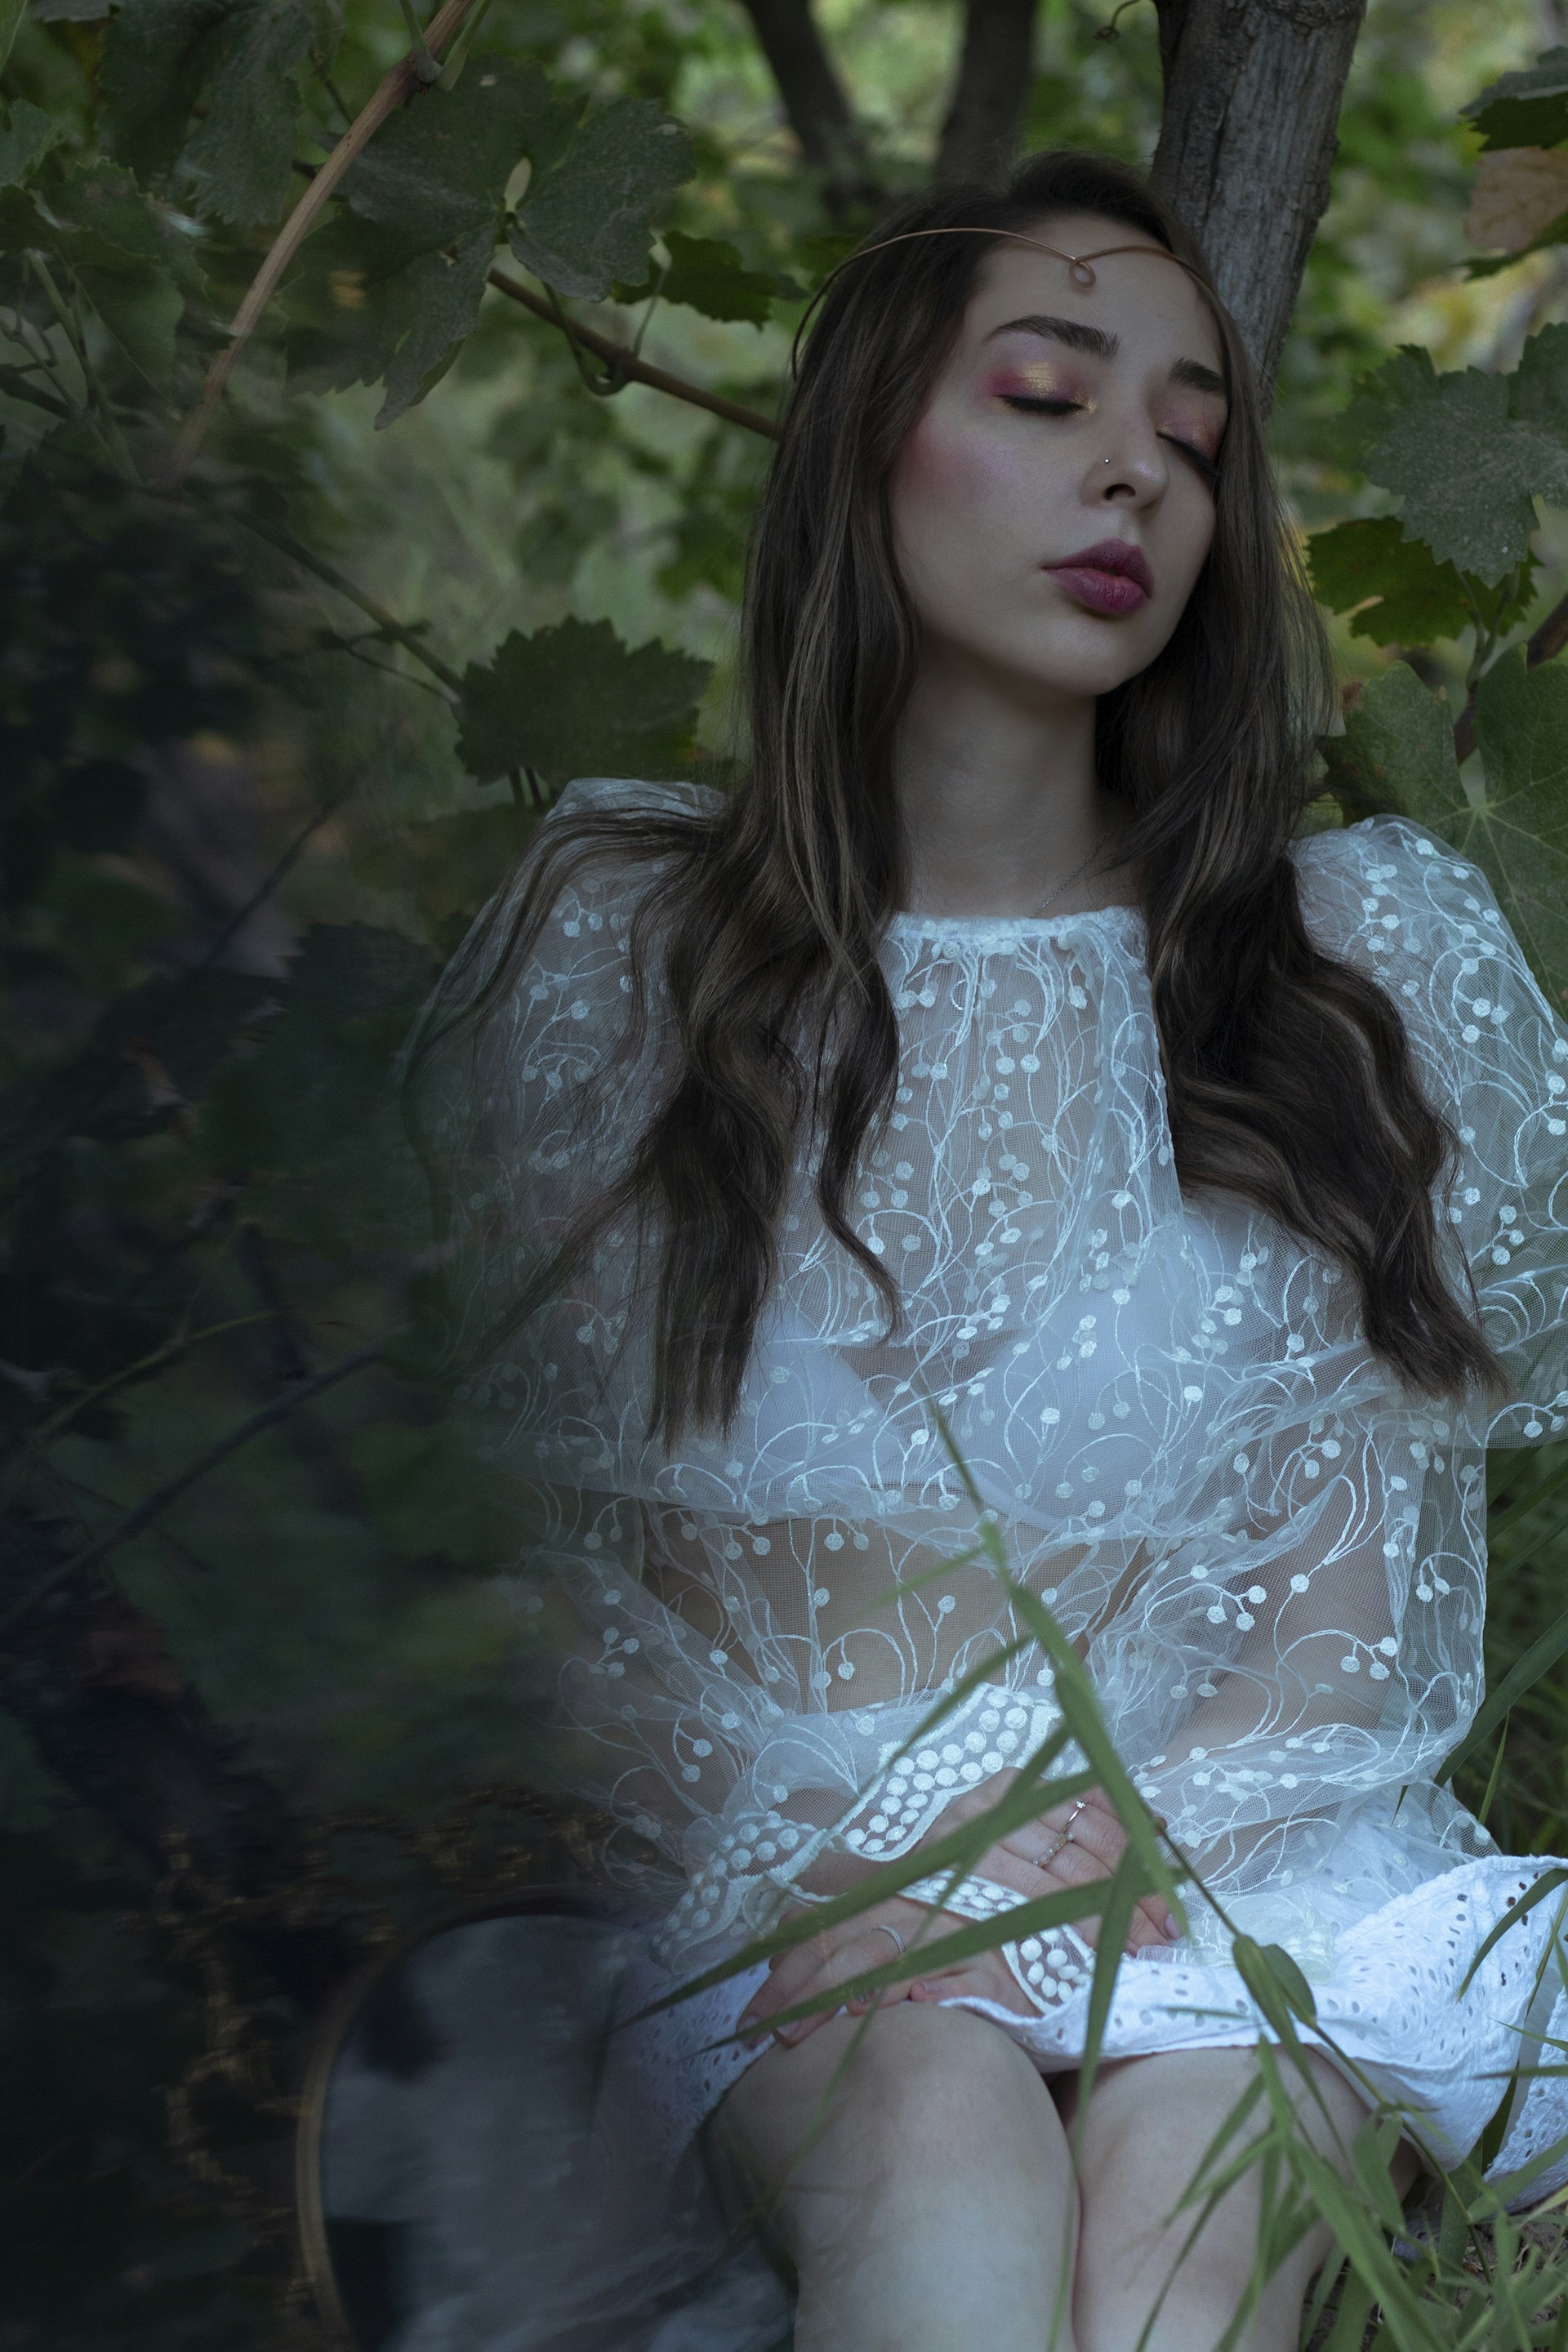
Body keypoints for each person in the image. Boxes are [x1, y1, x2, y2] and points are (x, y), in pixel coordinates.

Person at [405, 149, 1568, 2351]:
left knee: (1164, 2275)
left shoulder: (1346, 970)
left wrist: (1102, 1853)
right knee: (938, 2200)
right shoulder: (622, 948)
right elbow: (537, 1567)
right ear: (866, 452)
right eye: (1048, 393)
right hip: (789, 1879)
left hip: (1238, 1859)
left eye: (1194, 441)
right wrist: (819, 1873)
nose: (1137, 463)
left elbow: (1354, 1617)